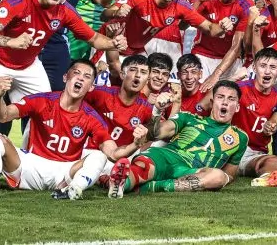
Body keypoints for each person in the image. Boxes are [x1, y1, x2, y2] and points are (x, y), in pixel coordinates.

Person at [0, 0, 128, 133]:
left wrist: (113, 43)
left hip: (28, 65)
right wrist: (11, 42)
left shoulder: (65, 10)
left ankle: (30, 158)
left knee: (46, 115)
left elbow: (93, 39)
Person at [0, 59, 117, 199]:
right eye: (76, 73)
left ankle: (73, 189)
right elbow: (3, 116)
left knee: (99, 156)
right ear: (65, 77)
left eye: (87, 76)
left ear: (91, 87)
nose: (80, 78)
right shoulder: (42, 100)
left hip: (64, 174)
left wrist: (134, 145)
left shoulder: (92, 117)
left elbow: (111, 151)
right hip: (30, 166)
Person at [106, 81, 249, 196]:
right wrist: (157, 111)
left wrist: (216, 180)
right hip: (166, 157)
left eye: (231, 99)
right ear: (212, 102)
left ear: (237, 107)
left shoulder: (240, 138)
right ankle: (120, 184)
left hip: (191, 172)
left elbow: (229, 176)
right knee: (144, 167)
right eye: (220, 97)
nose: (225, 102)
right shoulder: (188, 118)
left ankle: (148, 187)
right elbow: (155, 134)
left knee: (219, 177)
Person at [102, 0, 230, 69]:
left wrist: (223, 26)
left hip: (135, 51)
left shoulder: (181, 6)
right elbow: (104, 15)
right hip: (108, 44)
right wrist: (116, 12)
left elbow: (210, 29)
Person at [190, 0, 259, 84]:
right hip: (203, 55)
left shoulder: (246, 5)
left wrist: (216, 74)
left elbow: (236, 46)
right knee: (196, 93)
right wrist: (199, 0)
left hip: (231, 59)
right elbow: (188, 21)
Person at [82, 54, 156, 169]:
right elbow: (71, 98)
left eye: (143, 72)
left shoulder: (146, 108)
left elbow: (154, 132)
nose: (138, 75)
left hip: (119, 157)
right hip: (90, 152)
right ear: (122, 74)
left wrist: (160, 111)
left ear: (147, 79)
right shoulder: (101, 94)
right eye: (133, 70)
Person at [231, 48, 277, 182]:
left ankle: (265, 179)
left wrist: (272, 126)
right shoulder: (238, 89)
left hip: (254, 155)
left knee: (274, 160)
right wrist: (231, 80)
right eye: (263, 66)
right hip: (229, 148)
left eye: (273, 67)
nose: (267, 71)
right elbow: (208, 103)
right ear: (254, 68)